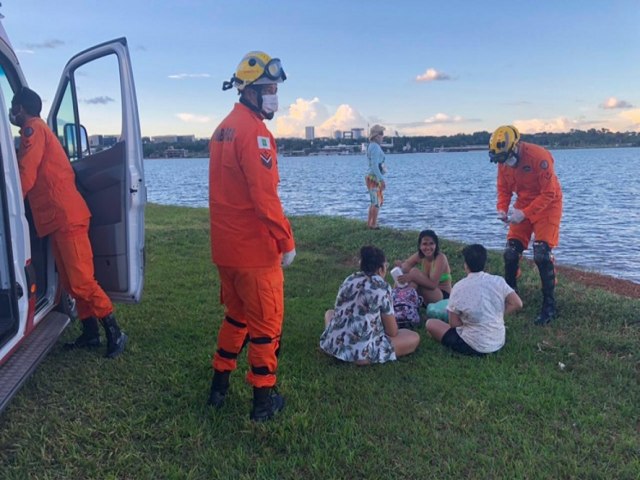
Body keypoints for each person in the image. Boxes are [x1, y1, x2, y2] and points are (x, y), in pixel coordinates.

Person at [207, 51, 296, 422]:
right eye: (269, 88)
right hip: (254, 251)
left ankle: (218, 387)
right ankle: (263, 402)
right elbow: (264, 197)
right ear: (250, 91)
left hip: (226, 249)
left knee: (236, 317)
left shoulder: (222, 129)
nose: (274, 95)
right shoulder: (255, 133)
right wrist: (286, 241)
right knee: (266, 328)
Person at [10, 87, 127, 359]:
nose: (12, 113)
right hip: (59, 219)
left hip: (66, 218)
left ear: (22, 109)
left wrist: (12, 202)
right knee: (70, 282)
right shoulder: (36, 130)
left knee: (82, 281)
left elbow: (26, 172)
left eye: (14, 108)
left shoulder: (32, 130)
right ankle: (90, 333)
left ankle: (115, 332)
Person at [489, 125, 563, 325]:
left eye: (505, 158)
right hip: (523, 204)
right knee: (510, 252)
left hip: (548, 204)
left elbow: (549, 193)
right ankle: (511, 294)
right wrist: (502, 209)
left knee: (542, 253)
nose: (504, 163)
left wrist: (526, 213)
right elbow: (503, 188)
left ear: (515, 146)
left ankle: (549, 305)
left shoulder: (539, 157)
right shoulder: (503, 161)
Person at [320, 246, 420, 364]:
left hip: (332, 345)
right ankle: (361, 355)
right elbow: (392, 332)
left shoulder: (350, 279)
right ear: (380, 269)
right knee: (413, 337)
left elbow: (340, 311)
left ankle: (335, 341)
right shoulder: (382, 287)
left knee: (330, 313)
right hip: (362, 352)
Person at [426, 244, 523, 356]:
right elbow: (517, 303)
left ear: (466, 265)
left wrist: (471, 320)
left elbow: (453, 323)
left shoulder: (459, 287)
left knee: (431, 324)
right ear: (484, 263)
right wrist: (497, 315)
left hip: (472, 345)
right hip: (498, 342)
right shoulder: (498, 281)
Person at [396, 229, 452, 305]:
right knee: (403, 276)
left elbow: (433, 285)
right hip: (428, 294)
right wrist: (400, 267)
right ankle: (400, 302)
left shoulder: (440, 258)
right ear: (420, 246)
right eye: (425, 244)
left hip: (442, 296)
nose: (428, 247)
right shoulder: (420, 255)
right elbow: (406, 266)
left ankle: (401, 302)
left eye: (431, 244)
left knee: (414, 273)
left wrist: (412, 276)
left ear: (436, 245)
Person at [365, 124, 386, 229]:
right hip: (374, 177)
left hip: (371, 176)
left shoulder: (371, 146)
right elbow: (374, 165)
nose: (383, 136)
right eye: (381, 134)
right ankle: (374, 224)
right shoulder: (375, 147)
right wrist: (381, 179)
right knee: (377, 202)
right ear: (376, 135)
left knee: (373, 201)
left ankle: (370, 223)